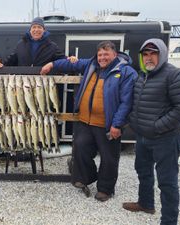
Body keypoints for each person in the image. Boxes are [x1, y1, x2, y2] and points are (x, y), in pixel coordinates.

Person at [41, 41, 138, 201]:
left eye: (106, 54)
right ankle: (88, 176)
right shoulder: (91, 65)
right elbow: (70, 64)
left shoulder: (126, 72)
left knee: (109, 158)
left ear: (115, 54)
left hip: (107, 124)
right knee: (79, 149)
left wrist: (117, 124)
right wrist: (51, 64)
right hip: (85, 121)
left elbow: (127, 102)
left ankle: (106, 189)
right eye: (100, 54)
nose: (102, 57)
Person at [122, 39, 180, 225]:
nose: (149, 58)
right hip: (144, 136)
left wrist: (158, 126)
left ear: (162, 54)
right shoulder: (143, 75)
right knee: (143, 171)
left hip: (166, 138)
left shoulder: (174, 75)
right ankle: (146, 203)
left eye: (153, 53)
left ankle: (169, 221)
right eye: (145, 54)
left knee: (167, 182)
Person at [0, 17, 65, 67]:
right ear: (30, 30)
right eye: (34, 27)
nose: (36, 30)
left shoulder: (52, 46)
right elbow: (12, 59)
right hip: (24, 82)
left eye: (39, 27)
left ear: (44, 30)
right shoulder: (21, 44)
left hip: (42, 81)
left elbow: (62, 59)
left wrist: (69, 59)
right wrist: (3, 64)